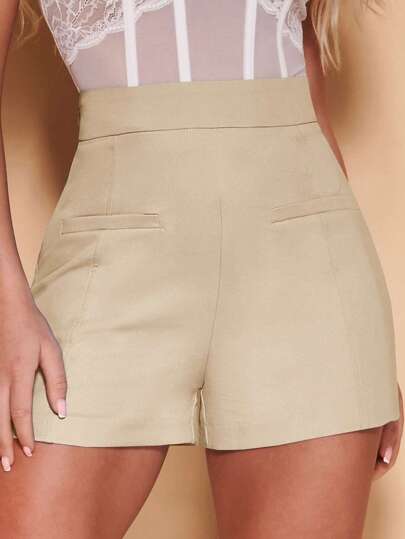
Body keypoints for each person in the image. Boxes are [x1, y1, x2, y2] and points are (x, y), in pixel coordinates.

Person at [0, 1, 403, 538]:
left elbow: (298, 61)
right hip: (112, 252)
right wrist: (6, 307)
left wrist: (361, 357)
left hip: (307, 257)